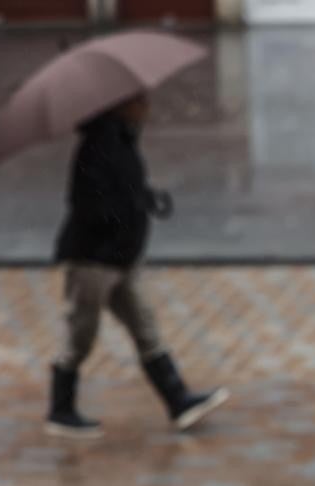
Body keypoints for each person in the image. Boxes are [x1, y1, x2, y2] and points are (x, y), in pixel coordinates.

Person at [45, 93, 228, 439]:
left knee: (145, 326)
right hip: (94, 260)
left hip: (122, 259)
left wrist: (143, 198)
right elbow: (88, 203)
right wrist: (123, 216)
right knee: (79, 334)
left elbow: (125, 189)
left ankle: (178, 400)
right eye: (140, 101)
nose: (147, 108)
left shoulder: (122, 141)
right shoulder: (97, 146)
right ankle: (60, 409)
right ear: (122, 105)